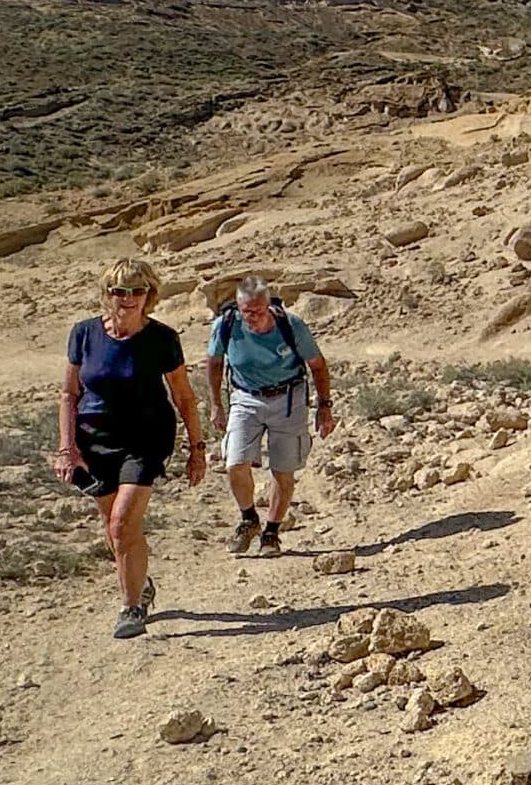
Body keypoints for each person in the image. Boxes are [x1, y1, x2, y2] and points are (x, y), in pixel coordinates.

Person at [55, 257, 207, 639]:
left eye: (137, 290)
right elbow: (69, 394)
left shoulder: (162, 338)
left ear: (148, 294)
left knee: (122, 523)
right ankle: (140, 582)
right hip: (95, 440)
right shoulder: (84, 334)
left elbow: (184, 397)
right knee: (115, 528)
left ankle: (131, 606)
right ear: (107, 293)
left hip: (146, 439)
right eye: (119, 290)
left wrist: (197, 448)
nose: (128, 297)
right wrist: (66, 447)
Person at [205, 275, 335, 556]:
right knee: (234, 462)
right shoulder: (226, 325)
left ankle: (272, 532)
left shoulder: (291, 325)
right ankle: (249, 519)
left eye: (259, 311)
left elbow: (318, 365)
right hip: (246, 397)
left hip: (288, 399)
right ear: (238, 307)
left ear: (269, 306)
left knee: (283, 469)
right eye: (247, 311)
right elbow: (214, 364)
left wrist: (324, 406)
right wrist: (216, 404)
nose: (252, 317)